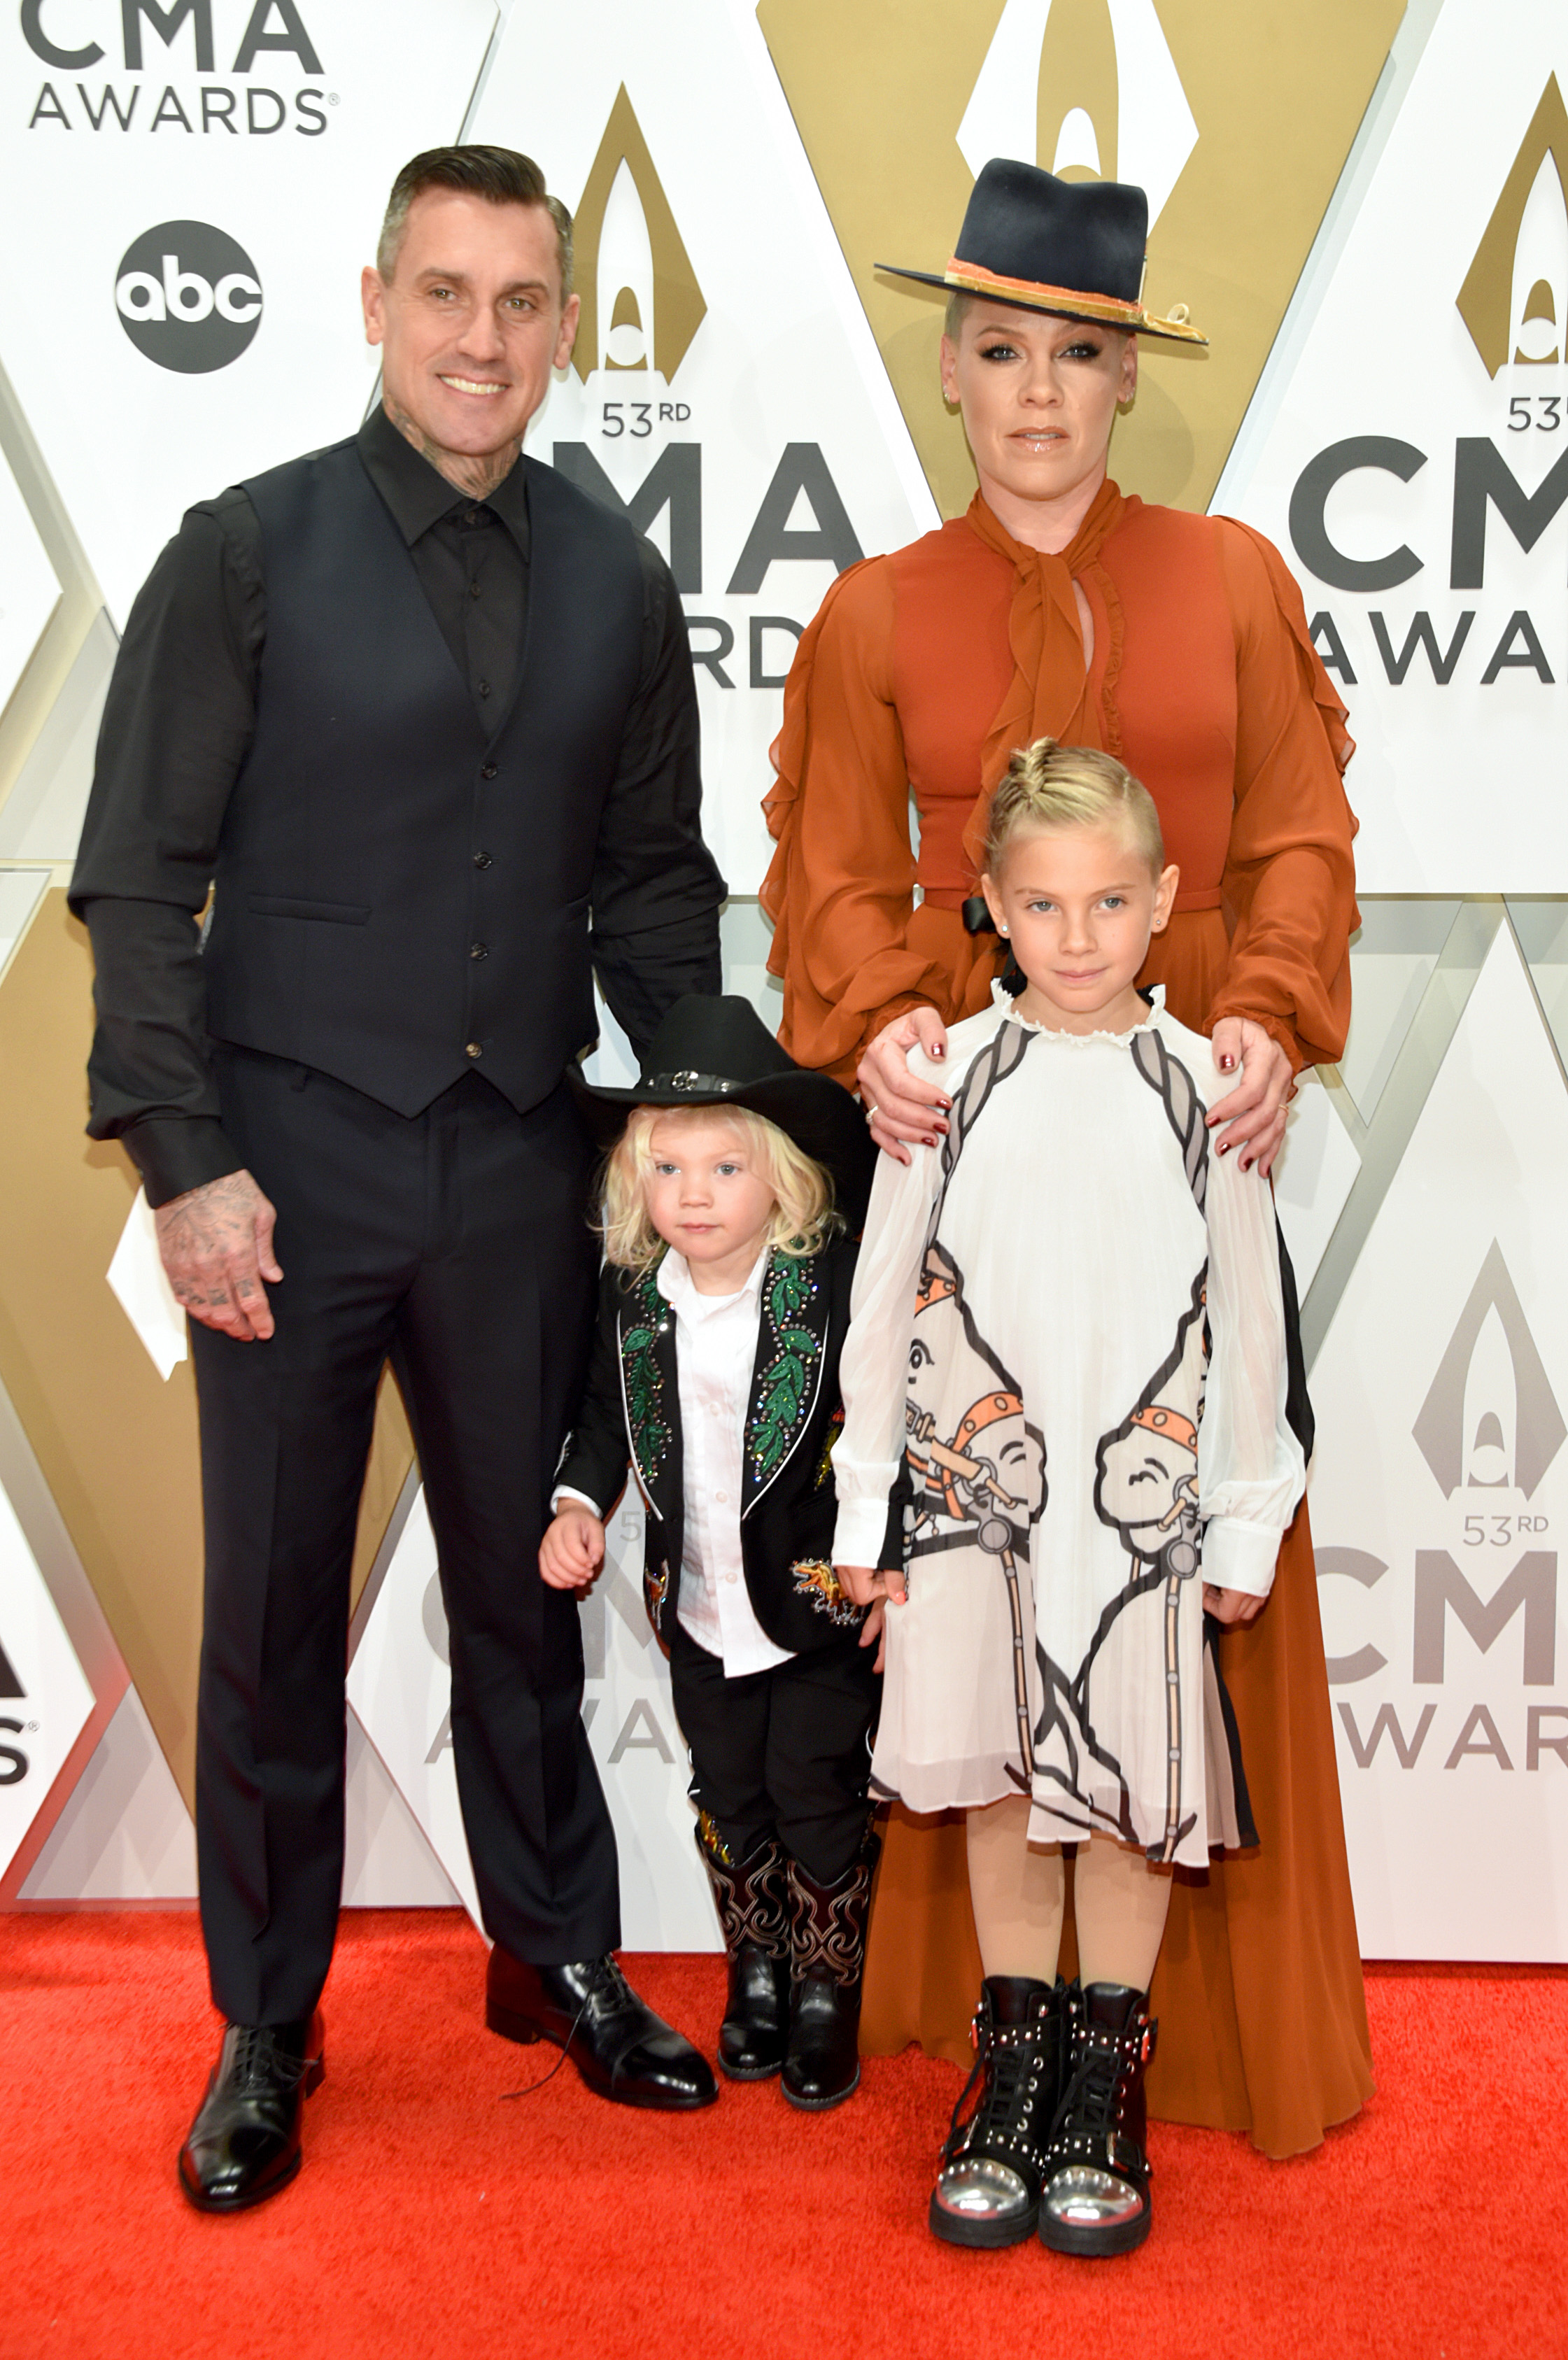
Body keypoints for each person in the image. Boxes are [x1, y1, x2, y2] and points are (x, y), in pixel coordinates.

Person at [69, 145, 728, 2212]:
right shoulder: (239, 551)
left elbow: (648, 895)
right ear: (374, 303)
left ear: (562, 325)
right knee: (267, 1609)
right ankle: (268, 2016)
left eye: (521, 304)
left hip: (521, 1164)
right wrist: (185, 1160)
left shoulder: (620, 580)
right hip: (284, 1170)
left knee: (525, 1599)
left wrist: (722, 1113)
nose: (482, 339)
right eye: (445, 295)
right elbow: (131, 881)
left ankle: (551, 1956)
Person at [761, 158, 1370, 2157]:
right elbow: (829, 877)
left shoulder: (1235, 578)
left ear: (1126, 378)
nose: (1038, 389)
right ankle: (1012, 2040)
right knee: (988, 1604)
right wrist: (887, 1025)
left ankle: (1153, 2050)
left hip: (1193, 1169)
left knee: (1188, 1584)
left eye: (1079, 353)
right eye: (1003, 348)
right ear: (950, 371)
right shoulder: (871, 611)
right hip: (979, 1180)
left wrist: (1266, 1010)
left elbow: (1295, 834)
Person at [834, 741, 1305, 2252]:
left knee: (1115, 1794)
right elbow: (883, 1299)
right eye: (1043, 904)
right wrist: (863, 1521)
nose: (1081, 935)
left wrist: (1238, 1518)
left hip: (1142, 1522)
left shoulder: (1204, 1085)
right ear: (989, 907)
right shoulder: (942, 1080)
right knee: (993, 1785)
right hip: (978, 1510)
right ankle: (1012, 2063)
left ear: (1164, 899)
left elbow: (1244, 1314)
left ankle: (1101, 2078)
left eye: (1110, 900)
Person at [539, 995, 900, 2109]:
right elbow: (603, 1416)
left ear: (783, 1178)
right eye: (667, 1168)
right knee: (729, 1791)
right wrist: (575, 1499)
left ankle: (827, 1989)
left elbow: (889, 1418)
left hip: (814, 1608)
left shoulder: (824, 1290)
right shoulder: (631, 1298)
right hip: (693, 1605)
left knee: (814, 1787)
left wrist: (890, 1556)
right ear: (633, 1183)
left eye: (724, 1168)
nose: (692, 1194)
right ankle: (757, 1971)